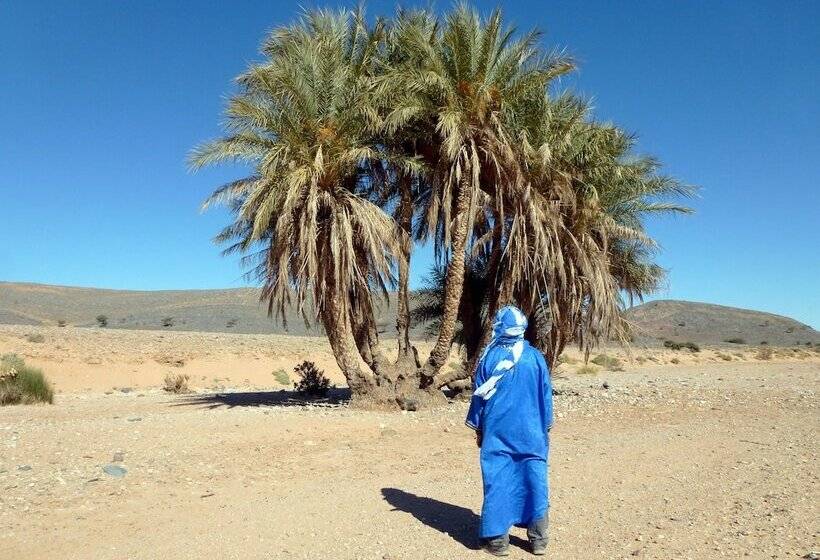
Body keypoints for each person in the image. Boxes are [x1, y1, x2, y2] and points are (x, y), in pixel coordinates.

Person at [466, 305, 554, 556]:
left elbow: (478, 399)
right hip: (532, 432)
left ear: (500, 328)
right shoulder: (536, 357)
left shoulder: (489, 357)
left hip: (498, 433)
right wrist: (545, 426)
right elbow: (546, 396)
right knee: (535, 478)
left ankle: (497, 541)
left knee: (498, 480)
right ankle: (539, 540)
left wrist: (478, 428)